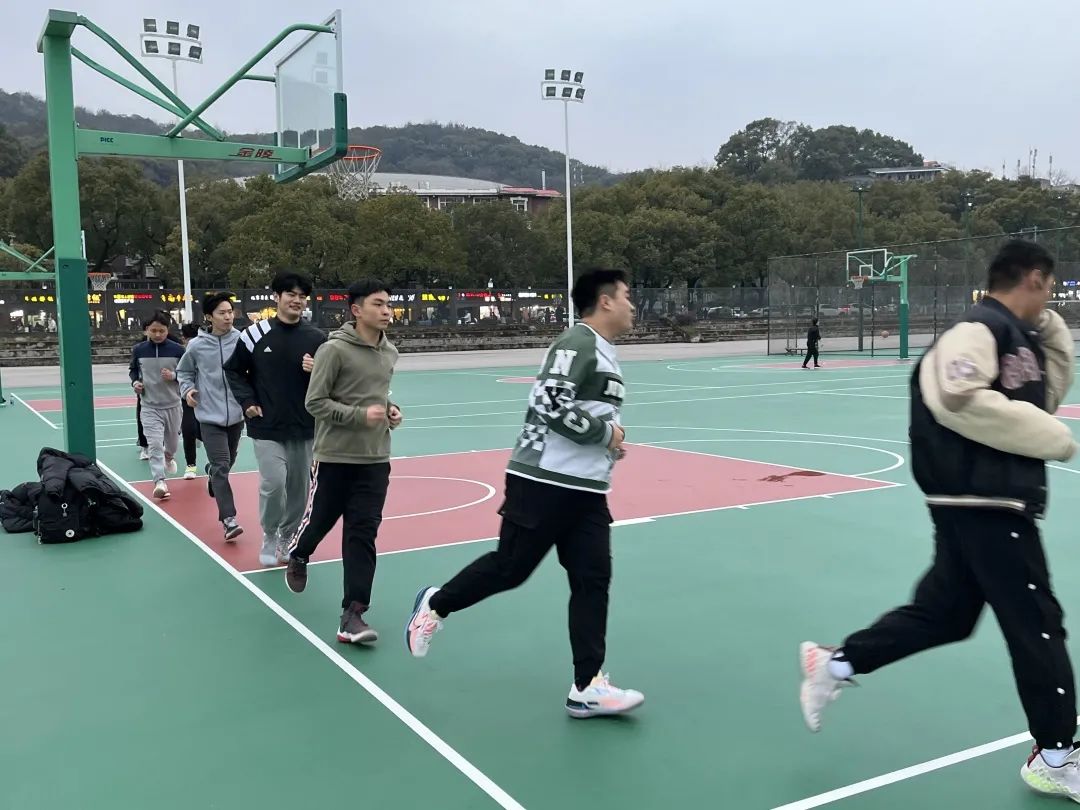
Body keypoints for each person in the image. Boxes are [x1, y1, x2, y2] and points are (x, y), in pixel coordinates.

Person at [799, 240, 1080, 798]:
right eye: (1048, 288)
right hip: (984, 501)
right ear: (1032, 278)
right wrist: (1055, 439)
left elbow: (1039, 401)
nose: (1050, 298)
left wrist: (1051, 337)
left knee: (946, 614)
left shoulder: (1013, 335)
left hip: (982, 501)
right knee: (1036, 623)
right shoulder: (976, 330)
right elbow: (957, 396)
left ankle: (835, 665)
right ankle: (1056, 755)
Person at [405, 268, 645, 719]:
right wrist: (605, 435)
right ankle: (435, 605)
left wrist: (610, 446)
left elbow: (585, 413)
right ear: (605, 301)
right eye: (627, 295)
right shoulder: (577, 343)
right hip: (542, 481)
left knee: (593, 579)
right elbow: (549, 403)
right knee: (511, 568)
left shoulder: (605, 352)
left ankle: (587, 686)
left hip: (587, 492)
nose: (633, 305)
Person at [284, 280, 401, 644]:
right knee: (320, 520)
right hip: (334, 456)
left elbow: (376, 396)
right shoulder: (333, 350)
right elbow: (315, 402)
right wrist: (359, 415)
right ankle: (299, 553)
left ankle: (353, 614)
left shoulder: (390, 352)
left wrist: (391, 411)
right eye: (378, 304)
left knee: (362, 533)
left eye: (388, 304)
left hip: (375, 458)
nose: (386, 311)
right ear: (356, 310)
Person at [224, 272, 325, 567]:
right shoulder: (254, 334)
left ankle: (287, 537)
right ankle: (269, 534)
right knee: (274, 484)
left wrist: (318, 369)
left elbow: (334, 380)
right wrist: (248, 402)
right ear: (277, 297)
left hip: (305, 427)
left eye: (302, 296)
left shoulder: (318, 339)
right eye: (290, 294)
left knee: (299, 490)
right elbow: (233, 371)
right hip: (266, 425)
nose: (296, 300)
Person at [177, 292, 246, 541]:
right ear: (209, 317)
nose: (228, 317)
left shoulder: (241, 340)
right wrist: (188, 391)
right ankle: (229, 520)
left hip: (237, 415)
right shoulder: (196, 345)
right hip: (208, 416)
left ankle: (211, 474)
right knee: (222, 465)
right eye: (222, 313)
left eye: (230, 312)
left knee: (227, 463)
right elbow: (184, 372)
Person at [129, 311, 185, 499]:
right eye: (153, 330)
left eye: (161, 330)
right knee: (154, 445)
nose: (158, 334)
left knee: (172, 444)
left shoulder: (178, 350)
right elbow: (133, 371)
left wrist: (174, 376)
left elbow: (189, 373)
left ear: (167, 330)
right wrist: (135, 383)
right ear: (146, 330)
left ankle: (168, 457)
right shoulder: (139, 350)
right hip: (149, 406)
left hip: (173, 405)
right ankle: (159, 481)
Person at [178, 323, 202, 478]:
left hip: (207, 397)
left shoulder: (206, 350)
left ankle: (216, 464)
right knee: (187, 429)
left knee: (206, 430)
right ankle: (191, 465)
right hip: (188, 396)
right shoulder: (180, 352)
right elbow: (180, 373)